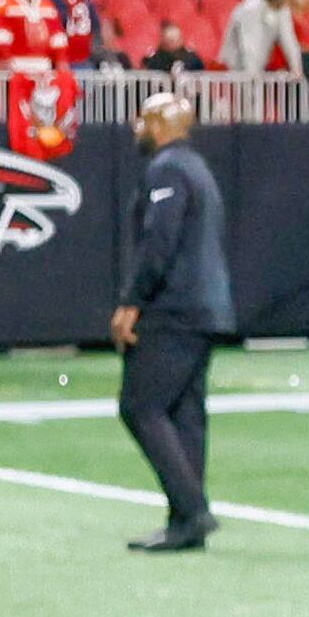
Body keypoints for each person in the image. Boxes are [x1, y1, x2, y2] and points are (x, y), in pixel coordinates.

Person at [112, 91, 231, 552]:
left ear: (162, 124)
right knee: (184, 412)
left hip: (174, 308)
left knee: (140, 405)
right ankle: (184, 522)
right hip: (206, 307)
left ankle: (193, 509)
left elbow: (159, 242)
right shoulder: (197, 169)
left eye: (143, 119)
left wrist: (131, 301)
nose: (136, 127)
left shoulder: (167, 171)